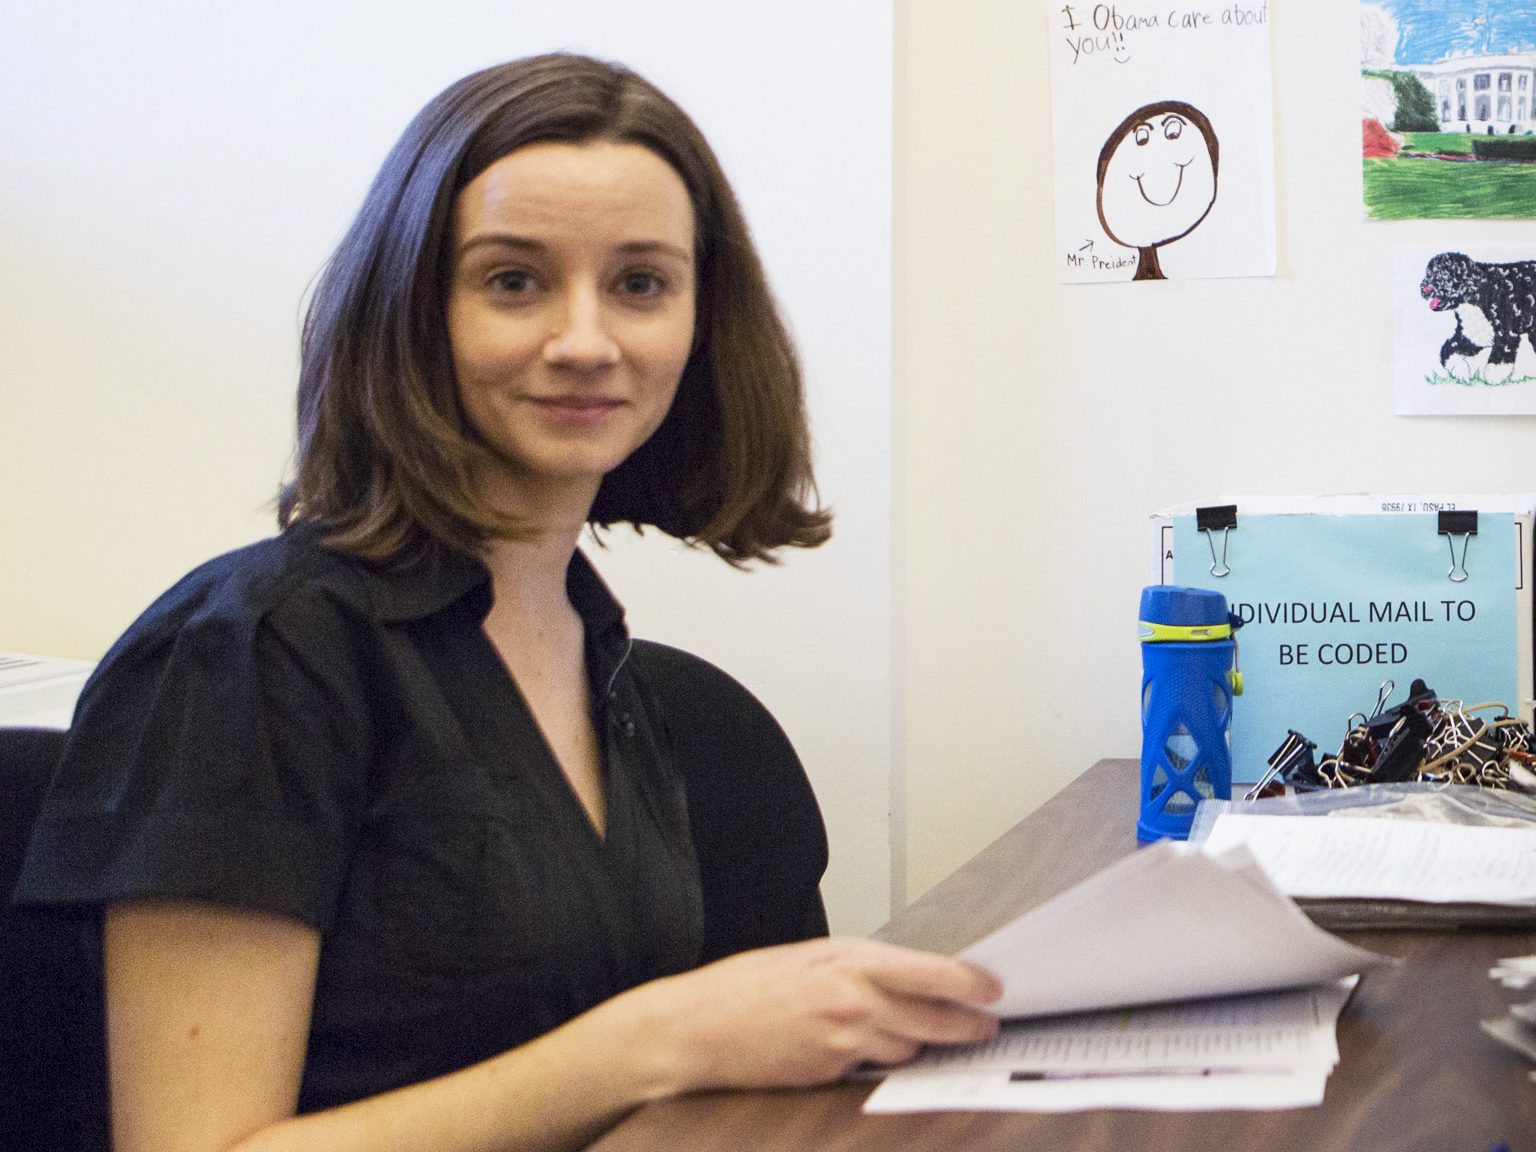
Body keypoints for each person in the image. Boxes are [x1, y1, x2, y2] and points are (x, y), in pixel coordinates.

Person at [16, 53, 1001, 1152]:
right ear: (411, 312)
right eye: (513, 281)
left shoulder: (590, 639)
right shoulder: (248, 653)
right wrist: (657, 1040)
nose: (585, 341)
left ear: (699, 323)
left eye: (639, 284)